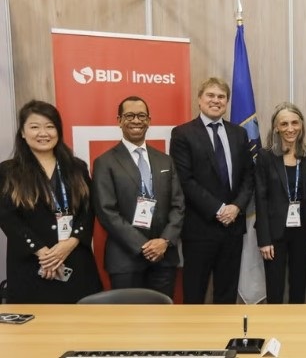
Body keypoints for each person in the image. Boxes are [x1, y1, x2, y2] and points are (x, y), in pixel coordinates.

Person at [0, 100, 101, 303]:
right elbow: (7, 217)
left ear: (58, 131)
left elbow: (89, 210)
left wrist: (70, 243)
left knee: (82, 318)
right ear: (22, 132)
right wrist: (43, 253)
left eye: (50, 126)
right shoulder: (8, 171)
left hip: (74, 259)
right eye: (34, 127)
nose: (43, 133)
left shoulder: (77, 167)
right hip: (32, 263)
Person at [170, 78, 255, 304]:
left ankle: (225, 329)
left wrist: (236, 207)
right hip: (200, 228)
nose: (216, 100)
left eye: (221, 97)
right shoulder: (182, 134)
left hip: (233, 228)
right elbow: (185, 180)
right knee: (194, 294)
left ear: (227, 102)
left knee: (227, 294)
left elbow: (248, 176)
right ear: (199, 100)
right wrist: (218, 209)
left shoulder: (239, 133)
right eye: (210, 95)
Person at [92, 96, 184, 298]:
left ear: (149, 121)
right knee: (128, 316)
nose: (136, 120)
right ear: (119, 120)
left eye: (141, 116)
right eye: (129, 116)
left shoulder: (165, 161)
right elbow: (106, 212)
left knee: (162, 314)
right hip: (126, 259)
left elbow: (178, 205)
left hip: (163, 257)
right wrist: (144, 246)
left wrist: (164, 241)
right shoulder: (105, 162)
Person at [255, 102, 306, 303]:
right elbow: (260, 199)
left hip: (303, 232)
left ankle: (296, 323)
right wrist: (264, 239)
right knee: (275, 289)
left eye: (294, 123)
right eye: (284, 124)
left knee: (299, 287)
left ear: (301, 125)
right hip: (275, 233)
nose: (290, 129)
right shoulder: (265, 156)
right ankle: (274, 324)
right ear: (276, 128)